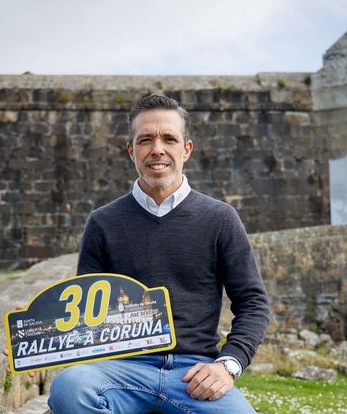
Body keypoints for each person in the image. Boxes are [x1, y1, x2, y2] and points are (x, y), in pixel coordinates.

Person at [48, 94, 270, 413]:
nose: (158, 150)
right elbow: (86, 315)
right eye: (146, 140)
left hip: (193, 371)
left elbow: (253, 302)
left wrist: (228, 365)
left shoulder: (220, 218)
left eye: (169, 139)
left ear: (186, 149)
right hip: (122, 369)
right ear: (131, 150)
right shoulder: (102, 223)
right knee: (69, 388)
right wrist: (41, 334)